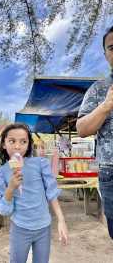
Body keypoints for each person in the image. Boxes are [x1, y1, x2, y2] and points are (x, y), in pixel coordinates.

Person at [0, 123, 68, 263]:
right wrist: (10, 188)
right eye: (12, 141)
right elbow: (4, 210)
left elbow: (51, 192)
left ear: (28, 145)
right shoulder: (0, 173)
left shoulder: (40, 163)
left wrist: (61, 220)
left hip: (44, 227)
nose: (17, 146)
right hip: (20, 228)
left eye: (23, 141)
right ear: (3, 144)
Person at [76, 26, 113, 239]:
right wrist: (105, 106)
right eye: (112, 47)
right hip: (110, 170)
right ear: (106, 54)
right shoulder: (99, 89)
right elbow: (81, 129)